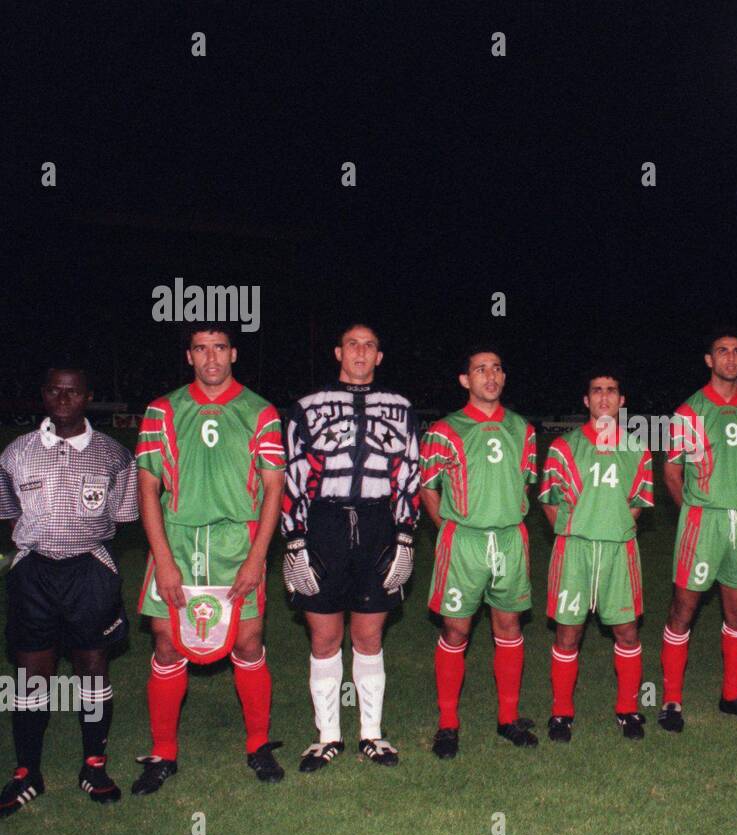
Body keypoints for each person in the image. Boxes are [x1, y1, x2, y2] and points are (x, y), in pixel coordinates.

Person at [132, 324, 286, 794]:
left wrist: (258, 557)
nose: (211, 358)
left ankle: (258, 744)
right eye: (201, 349)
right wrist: (163, 559)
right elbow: (147, 487)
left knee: (248, 641)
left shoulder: (261, 411)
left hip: (237, 542)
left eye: (220, 348)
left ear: (233, 353)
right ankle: (164, 753)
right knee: (165, 643)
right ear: (190, 356)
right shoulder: (161, 410)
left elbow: (275, 488)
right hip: (176, 541)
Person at [281, 323, 421, 771]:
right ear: (338, 352)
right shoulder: (307, 406)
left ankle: (372, 735)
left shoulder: (401, 407)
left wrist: (405, 535)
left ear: (379, 356)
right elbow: (292, 474)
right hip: (325, 525)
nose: (361, 352)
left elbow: (410, 473)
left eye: (370, 346)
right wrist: (295, 540)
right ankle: (327, 736)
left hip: (380, 525)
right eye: (353, 345)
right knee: (325, 637)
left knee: (368, 634)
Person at [0, 366, 138, 815]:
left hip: (89, 572)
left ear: (87, 396)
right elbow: (7, 515)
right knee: (29, 675)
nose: (63, 398)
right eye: (54, 390)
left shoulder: (114, 455)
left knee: (92, 670)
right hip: (33, 574)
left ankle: (93, 766)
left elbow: (121, 517)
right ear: (44, 395)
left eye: (72, 391)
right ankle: (27, 773)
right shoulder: (15, 453)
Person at [419, 347, 538, 759]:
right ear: (465, 380)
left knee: (509, 629)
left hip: (508, 540)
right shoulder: (444, 430)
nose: (490, 376)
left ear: (504, 378)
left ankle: (508, 719)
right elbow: (428, 489)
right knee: (456, 631)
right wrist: (449, 530)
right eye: (479, 369)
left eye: (497, 369)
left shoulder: (524, 429)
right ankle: (448, 723)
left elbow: (524, 485)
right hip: (463, 542)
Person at [657, 330, 737, 731]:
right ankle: (671, 700)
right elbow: (672, 472)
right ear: (709, 360)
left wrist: (736, 493)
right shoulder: (689, 412)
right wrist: (694, 508)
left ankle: (731, 695)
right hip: (701, 521)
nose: (731, 358)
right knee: (683, 609)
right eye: (722, 351)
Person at [540, 369, 655, 741]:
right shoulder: (564, 447)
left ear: (622, 401)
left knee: (626, 631)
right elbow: (551, 504)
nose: (604, 397)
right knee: (568, 633)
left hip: (618, 551)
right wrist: (580, 530)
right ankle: (561, 713)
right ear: (586, 400)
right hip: (574, 551)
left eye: (612, 391)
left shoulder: (638, 449)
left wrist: (612, 525)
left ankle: (628, 709)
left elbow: (637, 504)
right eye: (597, 391)